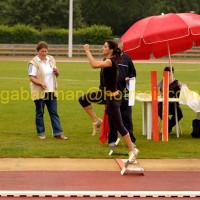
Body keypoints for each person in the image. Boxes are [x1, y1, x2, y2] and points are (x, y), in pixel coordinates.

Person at [83, 40, 139, 161]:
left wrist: (87, 50)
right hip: (105, 95)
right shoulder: (108, 60)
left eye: (105, 47)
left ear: (111, 50)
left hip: (113, 98)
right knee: (83, 99)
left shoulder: (110, 61)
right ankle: (97, 121)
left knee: (119, 125)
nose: (102, 48)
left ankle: (133, 150)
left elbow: (93, 64)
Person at [28, 41, 67, 140]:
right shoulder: (33, 63)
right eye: (42, 51)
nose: (44, 53)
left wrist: (56, 72)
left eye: (46, 51)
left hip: (51, 91)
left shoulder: (51, 59)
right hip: (40, 91)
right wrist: (41, 83)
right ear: (38, 51)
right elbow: (31, 77)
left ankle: (58, 133)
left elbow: (56, 75)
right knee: (40, 112)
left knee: (54, 112)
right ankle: (41, 133)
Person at [107, 38, 136, 146]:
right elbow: (103, 75)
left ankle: (131, 140)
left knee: (127, 116)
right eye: (120, 46)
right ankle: (112, 139)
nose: (122, 48)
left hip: (125, 92)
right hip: (112, 93)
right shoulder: (109, 59)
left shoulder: (127, 58)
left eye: (122, 46)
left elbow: (133, 72)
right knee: (112, 116)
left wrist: (129, 77)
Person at [157, 66, 183, 133]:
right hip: (163, 104)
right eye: (166, 73)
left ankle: (168, 127)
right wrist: (161, 93)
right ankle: (168, 127)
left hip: (173, 104)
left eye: (170, 74)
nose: (168, 75)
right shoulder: (161, 82)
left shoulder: (177, 82)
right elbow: (156, 90)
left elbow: (182, 90)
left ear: (173, 73)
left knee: (180, 114)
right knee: (159, 111)